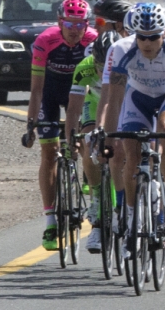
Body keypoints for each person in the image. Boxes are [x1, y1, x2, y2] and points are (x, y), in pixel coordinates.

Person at [99, 3, 165, 256]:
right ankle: (132, 224)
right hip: (137, 97)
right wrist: (107, 140)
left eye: (153, 37)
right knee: (130, 152)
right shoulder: (121, 50)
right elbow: (114, 99)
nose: (147, 43)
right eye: (141, 37)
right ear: (134, 35)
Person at [23, 0, 98, 250]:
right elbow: (36, 90)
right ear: (59, 21)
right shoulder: (45, 41)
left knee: (87, 137)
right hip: (51, 95)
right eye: (69, 23)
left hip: (82, 93)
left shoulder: (94, 40)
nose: (75, 30)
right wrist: (30, 124)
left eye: (80, 24)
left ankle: (89, 172)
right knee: (49, 153)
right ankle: (51, 222)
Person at [64, 30, 119, 253]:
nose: (103, 71)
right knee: (88, 143)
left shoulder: (127, 66)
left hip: (119, 105)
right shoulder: (84, 68)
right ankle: (97, 201)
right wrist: (71, 139)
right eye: (99, 65)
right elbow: (74, 108)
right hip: (94, 104)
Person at [91, 0, 134, 236]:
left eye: (98, 21)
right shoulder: (107, 48)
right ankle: (120, 206)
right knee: (116, 150)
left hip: (144, 99)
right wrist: (101, 130)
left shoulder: (137, 44)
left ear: (116, 24)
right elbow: (108, 97)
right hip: (117, 99)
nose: (93, 26)